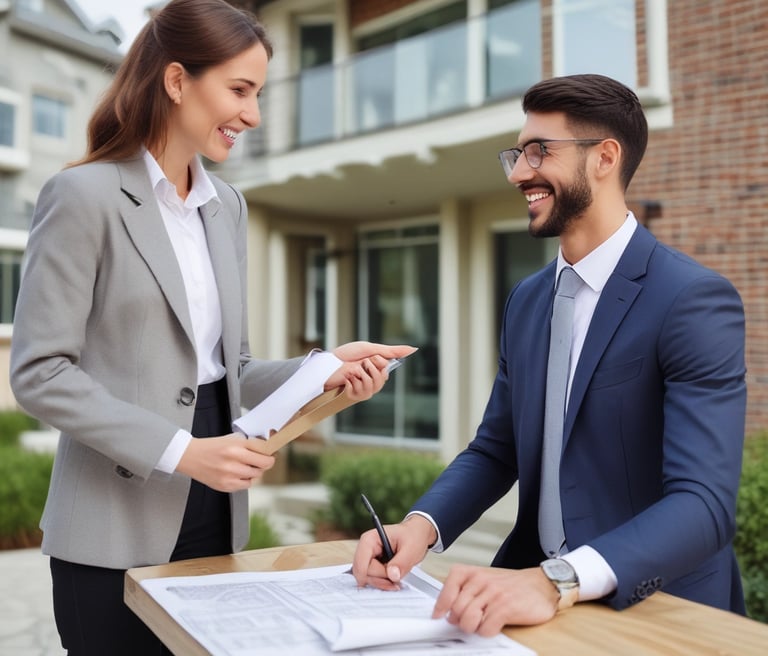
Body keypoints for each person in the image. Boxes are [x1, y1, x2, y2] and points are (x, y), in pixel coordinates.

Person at [9, 0, 414, 654]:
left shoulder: (226, 207)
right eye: (239, 90)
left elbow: (233, 370)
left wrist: (325, 372)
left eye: (257, 94)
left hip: (215, 513)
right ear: (176, 81)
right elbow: (39, 373)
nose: (252, 114)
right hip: (113, 523)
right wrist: (183, 452)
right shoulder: (83, 196)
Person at [352, 73, 747, 635]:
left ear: (605, 157)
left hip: (657, 607)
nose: (518, 172)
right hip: (531, 599)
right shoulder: (529, 299)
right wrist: (418, 527)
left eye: (540, 152)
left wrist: (555, 579)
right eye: (517, 153)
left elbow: (704, 505)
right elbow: (496, 449)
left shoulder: (691, 299)